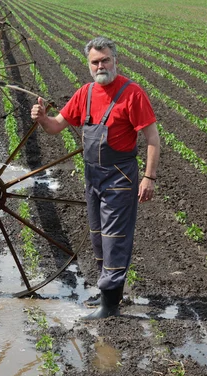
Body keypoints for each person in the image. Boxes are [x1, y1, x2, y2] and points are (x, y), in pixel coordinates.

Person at [31, 36, 160, 319]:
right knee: (98, 237)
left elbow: (152, 137)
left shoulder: (132, 93)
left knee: (115, 238)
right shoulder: (85, 94)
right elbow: (56, 127)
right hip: (93, 177)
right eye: (95, 62)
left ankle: (110, 306)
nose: (100, 66)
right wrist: (42, 118)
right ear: (88, 65)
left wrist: (148, 177)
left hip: (120, 177)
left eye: (105, 60)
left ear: (115, 61)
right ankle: (108, 295)